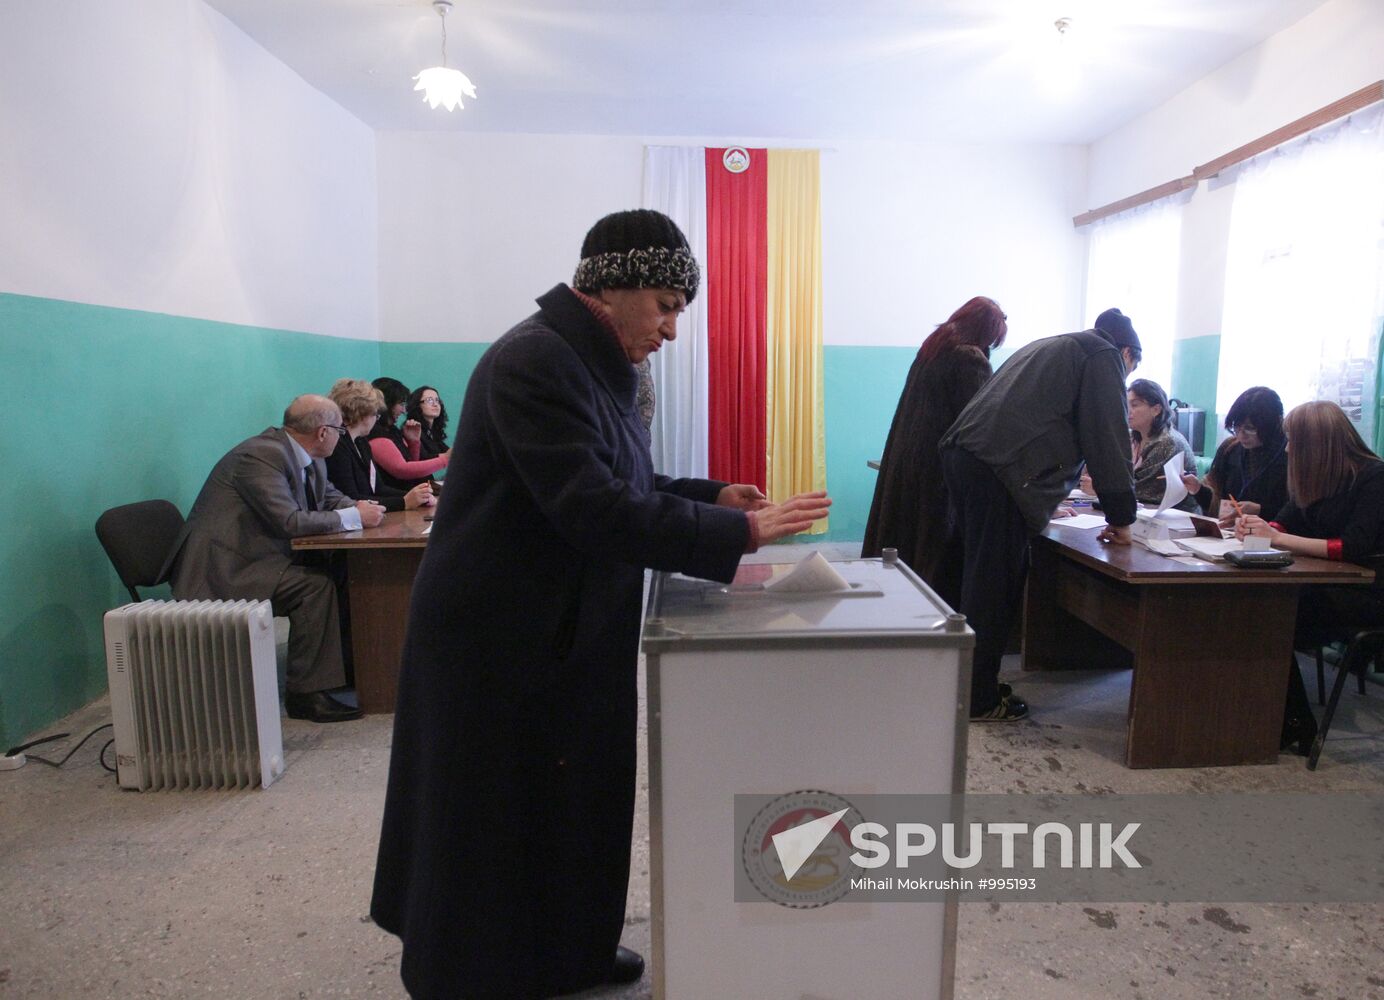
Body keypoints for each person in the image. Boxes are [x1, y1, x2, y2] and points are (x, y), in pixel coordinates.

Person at [370, 209, 831, 1000]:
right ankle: (468, 972)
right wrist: (739, 532)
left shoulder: (591, 360)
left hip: (562, 623)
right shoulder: (535, 361)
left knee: (571, 798)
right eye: (665, 304)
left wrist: (712, 496)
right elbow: (590, 504)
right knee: (493, 810)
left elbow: (624, 478)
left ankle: (566, 950)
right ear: (611, 287)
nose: (673, 329)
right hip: (500, 633)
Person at [939, 306, 1141, 722]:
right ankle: (977, 699)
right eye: (1132, 368)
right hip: (1000, 469)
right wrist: (1121, 518)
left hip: (966, 456)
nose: (1127, 380)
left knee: (976, 576)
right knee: (994, 584)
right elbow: (1108, 437)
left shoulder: (1056, 344)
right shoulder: (1102, 356)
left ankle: (959, 683)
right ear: (1126, 352)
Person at [164, 395, 385, 723]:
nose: (341, 436)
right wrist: (353, 516)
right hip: (224, 568)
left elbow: (328, 498)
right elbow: (288, 521)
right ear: (323, 432)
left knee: (340, 570)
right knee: (314, 586)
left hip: (256, 557)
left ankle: (349, 669)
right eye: (339, 430)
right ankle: (305, 694)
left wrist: (361, 508)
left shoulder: (307, 455)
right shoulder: (261, 455)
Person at [1236, 400, 1384, 754]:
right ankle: (1275, 717)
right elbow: (1283, 522)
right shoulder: (1317, 478)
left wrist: (1277, 538)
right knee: (1256, 610)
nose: (1287, 449)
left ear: (1317, 444)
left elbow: (1352, 547)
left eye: (1293, 441)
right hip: (1329, 586)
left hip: (1369, 595)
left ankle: (1295, 723)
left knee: (1270, 618)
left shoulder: (1374, 478)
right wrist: (1259, 527)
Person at [861, 295, 1007, 600]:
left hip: (906, 456)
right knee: (933, 554)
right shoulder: (970, 358)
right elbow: (979, 426)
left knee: (902, 542)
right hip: (938, 468)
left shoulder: (933, 348)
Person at [325, 378, 436, 512]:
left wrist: (418, 497)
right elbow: (351, 497)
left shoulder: (361, 442)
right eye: (375, 414)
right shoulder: (338, 445)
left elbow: (378, 488)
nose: (376, 419)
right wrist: (404, 502)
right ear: (362, 413)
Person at [1189, 386, 1288, 526]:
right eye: (1237, 426)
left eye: (1250, 428)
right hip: (1231, 534)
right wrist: (1198, 490)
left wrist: (1261, 510)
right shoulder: (1230, 449)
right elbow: (1217, 506)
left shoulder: (1288, 456)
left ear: (1274, 424)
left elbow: (1297, 515)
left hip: (1270, 538)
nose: (1241, 435)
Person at [1126, 378, 1198, 510]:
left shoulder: (1168, 442)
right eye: (1126, 404)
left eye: (1135, 405)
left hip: (1175, 517)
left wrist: (1100, 488)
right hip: (1144, 513)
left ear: (1156, 409)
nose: (1128, 410)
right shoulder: (1132, 438)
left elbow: (1143, 489)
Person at [368, 376, 450, 491]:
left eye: (437, 400)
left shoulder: (393, 430)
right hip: (398, 495)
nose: (403, 410)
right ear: (388, 403)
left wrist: (413, 442)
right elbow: (402, 469)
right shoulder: (376, 432)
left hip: (411, 490)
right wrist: (445, 459)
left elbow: (412, 462)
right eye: (400, 404)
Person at [404, 385, 449, 461]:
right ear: (417, 405)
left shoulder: (432, 431)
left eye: (437, 400)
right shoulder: (412, 427)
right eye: (429, 400)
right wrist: (448, 456)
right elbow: (422, 458)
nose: (435, 404)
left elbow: (446, 451)